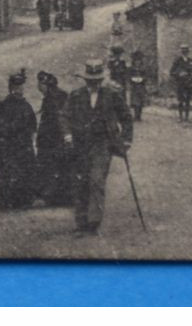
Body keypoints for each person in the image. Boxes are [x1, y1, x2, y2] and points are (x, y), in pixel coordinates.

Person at [66, 60, 133, 235]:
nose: (94, 83)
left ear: (101, 79)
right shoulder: (75, 95)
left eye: (97, 80)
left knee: (96, 180)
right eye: (90, 80)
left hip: (102, 144)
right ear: (85, 79)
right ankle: (81, 223)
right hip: (80, 145)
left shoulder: (112, 95)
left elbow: (126, 117)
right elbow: (64, 116)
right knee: (81, 182)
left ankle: (93, 223)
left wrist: (126, 139)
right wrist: (67, 134)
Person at [0, 70, 38, 209]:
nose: (19, 91)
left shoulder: (24, 106)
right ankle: (9, 200)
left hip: (18, 145)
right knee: (9, 172)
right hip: (9, 146)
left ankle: (18, 200)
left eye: (20, 88)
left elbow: (32, 126)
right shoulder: (3, 106)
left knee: (19, 171)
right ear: (11, 89)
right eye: (16, 88)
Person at [34, 70, 74, 206]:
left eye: (39, 84)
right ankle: (62, 195)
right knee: (61, 166)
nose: (38, 87)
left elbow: (54, 118)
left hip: (52, 137)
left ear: (44, 85)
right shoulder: (59, 94)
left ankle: (53, 196)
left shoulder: (52, 98)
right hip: (59, 136)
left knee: (50, 165)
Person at [170, 44, 192, 122]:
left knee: (188, 100)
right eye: (183, 50)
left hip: (190, 83)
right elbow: (172, 72)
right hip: (181, 83)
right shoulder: (177, 61)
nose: (184, 52)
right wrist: (179, 74)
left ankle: (187, 117)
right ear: (181, 51)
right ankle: (180, 117)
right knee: (181, 100)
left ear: (188, 51)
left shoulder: (191, 61)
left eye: (186, 50)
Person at [127, 50, 149, 121]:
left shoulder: (143, 68)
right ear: (134, 61)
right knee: (135, 102)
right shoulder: (131, 68)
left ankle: (139, 115)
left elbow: (146, 76)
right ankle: (136, 115)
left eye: (139, 61)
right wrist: (131, 79)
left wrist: (143, 79)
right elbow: (128, 76)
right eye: (136, 61)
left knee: (141, 101)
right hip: (134, 86)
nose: (137, 62)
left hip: (141, 86)